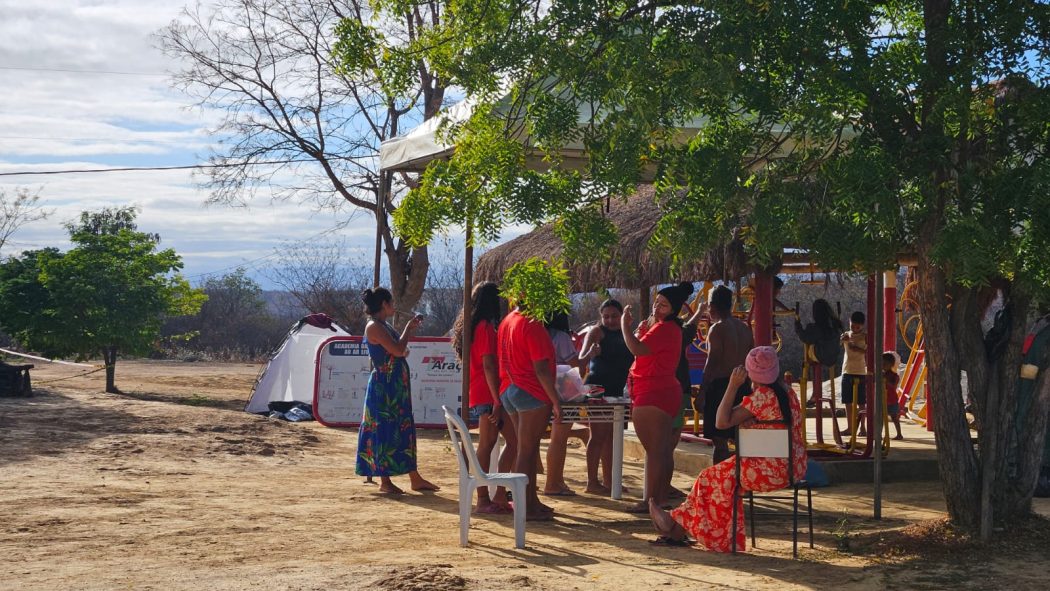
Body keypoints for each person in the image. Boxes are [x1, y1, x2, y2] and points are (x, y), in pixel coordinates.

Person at [648, 346, 808, 552]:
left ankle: (677, 527)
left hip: (766, 471)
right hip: (793, 468)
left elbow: (721, 421)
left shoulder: (762, 396)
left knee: (709, 478)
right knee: (717, 477)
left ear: (750, 372)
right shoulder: (788, 393)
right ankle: (674, 530)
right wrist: (748, 423)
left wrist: (732, 386)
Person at [355, 287, 439, 494]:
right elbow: (399, 350)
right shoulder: (374, 327)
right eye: (391, 302)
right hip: (384, 388)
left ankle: (414, 476)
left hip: (395, 386)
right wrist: (408, 330)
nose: (394, 306)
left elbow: (399, 349)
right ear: (384, 304)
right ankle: (385, 481)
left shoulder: (382, 326)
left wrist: (404, 339)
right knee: (384, 430)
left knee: (402, 429)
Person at [622, 282, 694, 513]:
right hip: (665, 390)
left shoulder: (665, 329)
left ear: (673, 310)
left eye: (663, 305)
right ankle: (659, 498)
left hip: (653, 391)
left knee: (654, 451)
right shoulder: (667, 328)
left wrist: (625, 326)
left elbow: (636, 349)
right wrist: (644, 331)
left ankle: (650, 500)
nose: (656, 308)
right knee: (661, 450)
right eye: (656, 303)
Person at [451, 282, 518, 513]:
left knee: (495, 443)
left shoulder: (471, 326)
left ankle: (493, 494)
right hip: (489, 393)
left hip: (480, 391)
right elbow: (489, 364)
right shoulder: (485, 328)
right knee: (500, 443)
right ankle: (486, 497)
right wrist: (497, 401)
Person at [498, 299, 562, 521]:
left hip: (510, 388)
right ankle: (525, 506)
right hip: (530, 391)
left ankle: (530, 501)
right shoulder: (532, 323)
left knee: (529, 449)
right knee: (526, 450)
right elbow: (541, 368)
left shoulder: (508, 319)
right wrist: (556, 400)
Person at [579, 299, 633, 495]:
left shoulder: (626, 332)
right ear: (600, 317)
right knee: (598, 435)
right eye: (606, 316)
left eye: (614, 316)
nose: (610, 320)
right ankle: (592, 482)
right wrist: (591, 353)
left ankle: (610, 481)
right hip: (597, 388)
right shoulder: (596, 332)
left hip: (617, 389)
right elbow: (581, 357)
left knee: (612, 437)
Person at [542, 311, 597, 497]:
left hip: (541, 388)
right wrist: (591, 353)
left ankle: (552, 480)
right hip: (562, 389)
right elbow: (577, 365)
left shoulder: (541, 334)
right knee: (559, 438)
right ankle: (554, 481)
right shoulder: (561, 337)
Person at [702, 285, 754, 464]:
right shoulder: (745, 328)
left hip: (721, 388)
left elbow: (712, 362)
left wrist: (702, 391)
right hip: (743, 385)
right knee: (741, 440)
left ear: (712, 306)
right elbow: (751, 360)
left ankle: (720, 484)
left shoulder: (717, 329)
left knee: (720, 441)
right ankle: (740, 480)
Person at [666, 299, 705, 499]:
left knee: (664, 441)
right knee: (669, 440)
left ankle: (661, 484)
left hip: (669, 389)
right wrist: (699, 311)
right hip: (676, 389)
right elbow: (689, 331)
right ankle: (663, 485)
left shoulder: (657, 331)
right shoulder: (675, 333)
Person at [794, 299, 845, 407]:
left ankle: (815, 394)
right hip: (833, 356)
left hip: (819, 356)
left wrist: (797, 325)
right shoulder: (836, 325)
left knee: (809, 347)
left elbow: (804, 337)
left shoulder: (815, 327)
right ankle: (815, 394)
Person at [840, 311, 868, 439]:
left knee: (861, 402)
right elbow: (840, 343)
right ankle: (850, 427)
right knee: (847, 402)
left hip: (861, 371)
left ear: (862, 326)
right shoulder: (846, 335)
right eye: (852, 326)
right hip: (847, 371)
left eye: (857, 327)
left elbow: (869, 352)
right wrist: (842, 339)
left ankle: (862, 427)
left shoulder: (865, 336)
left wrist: (858, 349)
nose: (855, 329)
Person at [883, 351, 903, 440]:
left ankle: (899, 434)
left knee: (894, 417)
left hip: (892, 400)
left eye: (885, 364)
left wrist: (886, 380)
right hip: (882, 399)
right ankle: (878, 434)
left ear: (891, 364)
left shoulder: (894, 375)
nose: (883, 365)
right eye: (882, 363)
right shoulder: (881, 374)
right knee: (880, 418)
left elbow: (893, 385)